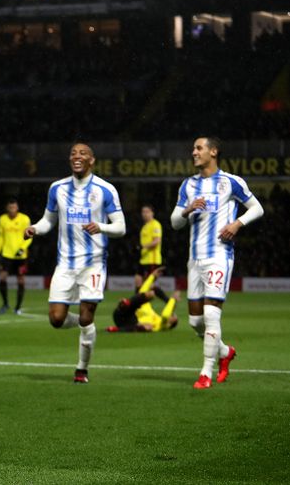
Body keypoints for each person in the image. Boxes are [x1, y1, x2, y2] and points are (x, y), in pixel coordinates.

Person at [24, 142, 126, 384]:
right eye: (73, 153)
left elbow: (121, 227)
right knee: (56, 319)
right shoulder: (56, 188)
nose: (76, 156)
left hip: (93, 262)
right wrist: (35, 229)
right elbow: (48, 221)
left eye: (83, 153)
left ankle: (82, 369)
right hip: (66, 264)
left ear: (92, 160)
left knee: (87, 314)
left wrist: (100, 226)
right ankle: (82, 322)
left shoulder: (105, 189)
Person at [170, 136, 264, 389]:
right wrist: (187, 210)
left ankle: (205, 373)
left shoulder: (230, 182)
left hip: (219, 256)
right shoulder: (188, 185)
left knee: (211, 314)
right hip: (195, 259)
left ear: (213, 152)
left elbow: (257, 208)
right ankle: (225, 352)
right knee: (195, 322)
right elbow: (175, 223)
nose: (194, 152)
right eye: (193, 148)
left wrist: (237, 223)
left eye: (199, 148)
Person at [108, 267, 179, 332]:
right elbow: (142, 292)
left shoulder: (161, 325)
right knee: (149, 294)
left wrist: (172, 300)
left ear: (170, 324)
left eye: (173, 316)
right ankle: (125, 304)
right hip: (123, 313)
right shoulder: (152, 313)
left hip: (128, 323)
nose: (172, 313)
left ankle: (117, 329)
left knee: (145, 327)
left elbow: (165, 315)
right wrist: (152, 277)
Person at [0, 197, 32, 315]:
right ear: (7, 208)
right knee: (2, 278)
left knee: (21, 281)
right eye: (10, 207)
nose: (12, 209)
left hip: (21, 256)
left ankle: (18, 307)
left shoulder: (25, 219)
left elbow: (29, 236)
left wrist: (22, 249)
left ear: (17, 208)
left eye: (14, 207)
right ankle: (5, 304)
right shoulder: (2, 219)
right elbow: (1, 236)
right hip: (6, 254)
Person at [134, 204, 169, 303]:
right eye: (143, 212)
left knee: (148, 285)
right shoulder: (145, 226)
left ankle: (168, 301)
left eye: (147, 212)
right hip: (143, 259)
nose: (144, 214)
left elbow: (157, 241)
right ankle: (136, 305)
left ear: (152, 213)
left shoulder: (155, 224)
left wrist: (142, 247)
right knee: (137, 281)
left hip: (152, 259)